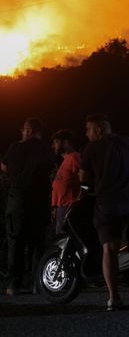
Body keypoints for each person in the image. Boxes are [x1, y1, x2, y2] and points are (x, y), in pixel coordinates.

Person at [79, 114, 129, 310]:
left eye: (88, 130)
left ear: (98, 131)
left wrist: (82, 196)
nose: (86, 134)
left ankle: (114, 297)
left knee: (109, 248)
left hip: (110, 205)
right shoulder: (128, 142)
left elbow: (84, 180)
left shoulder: (92, 147)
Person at [1, 118, 54, 295]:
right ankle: (36, 283)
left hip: (17, 201)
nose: (21, 132)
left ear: (29, 130)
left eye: (23, 129)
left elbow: (4, 166)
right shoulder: (46, 148)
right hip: (39, 202)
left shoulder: (15, 147)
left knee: (15, 242)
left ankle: (13, 284)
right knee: (37, 243)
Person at [51, 129, 81, 235]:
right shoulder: (67, 160)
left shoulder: (74, 158)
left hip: (69, 208)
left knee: (64, 240)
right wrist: (56, 206)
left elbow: (84, 179)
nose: (53, 146)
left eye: (56, 142)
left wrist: (78, 200)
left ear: (66, 143)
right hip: (62, 208)